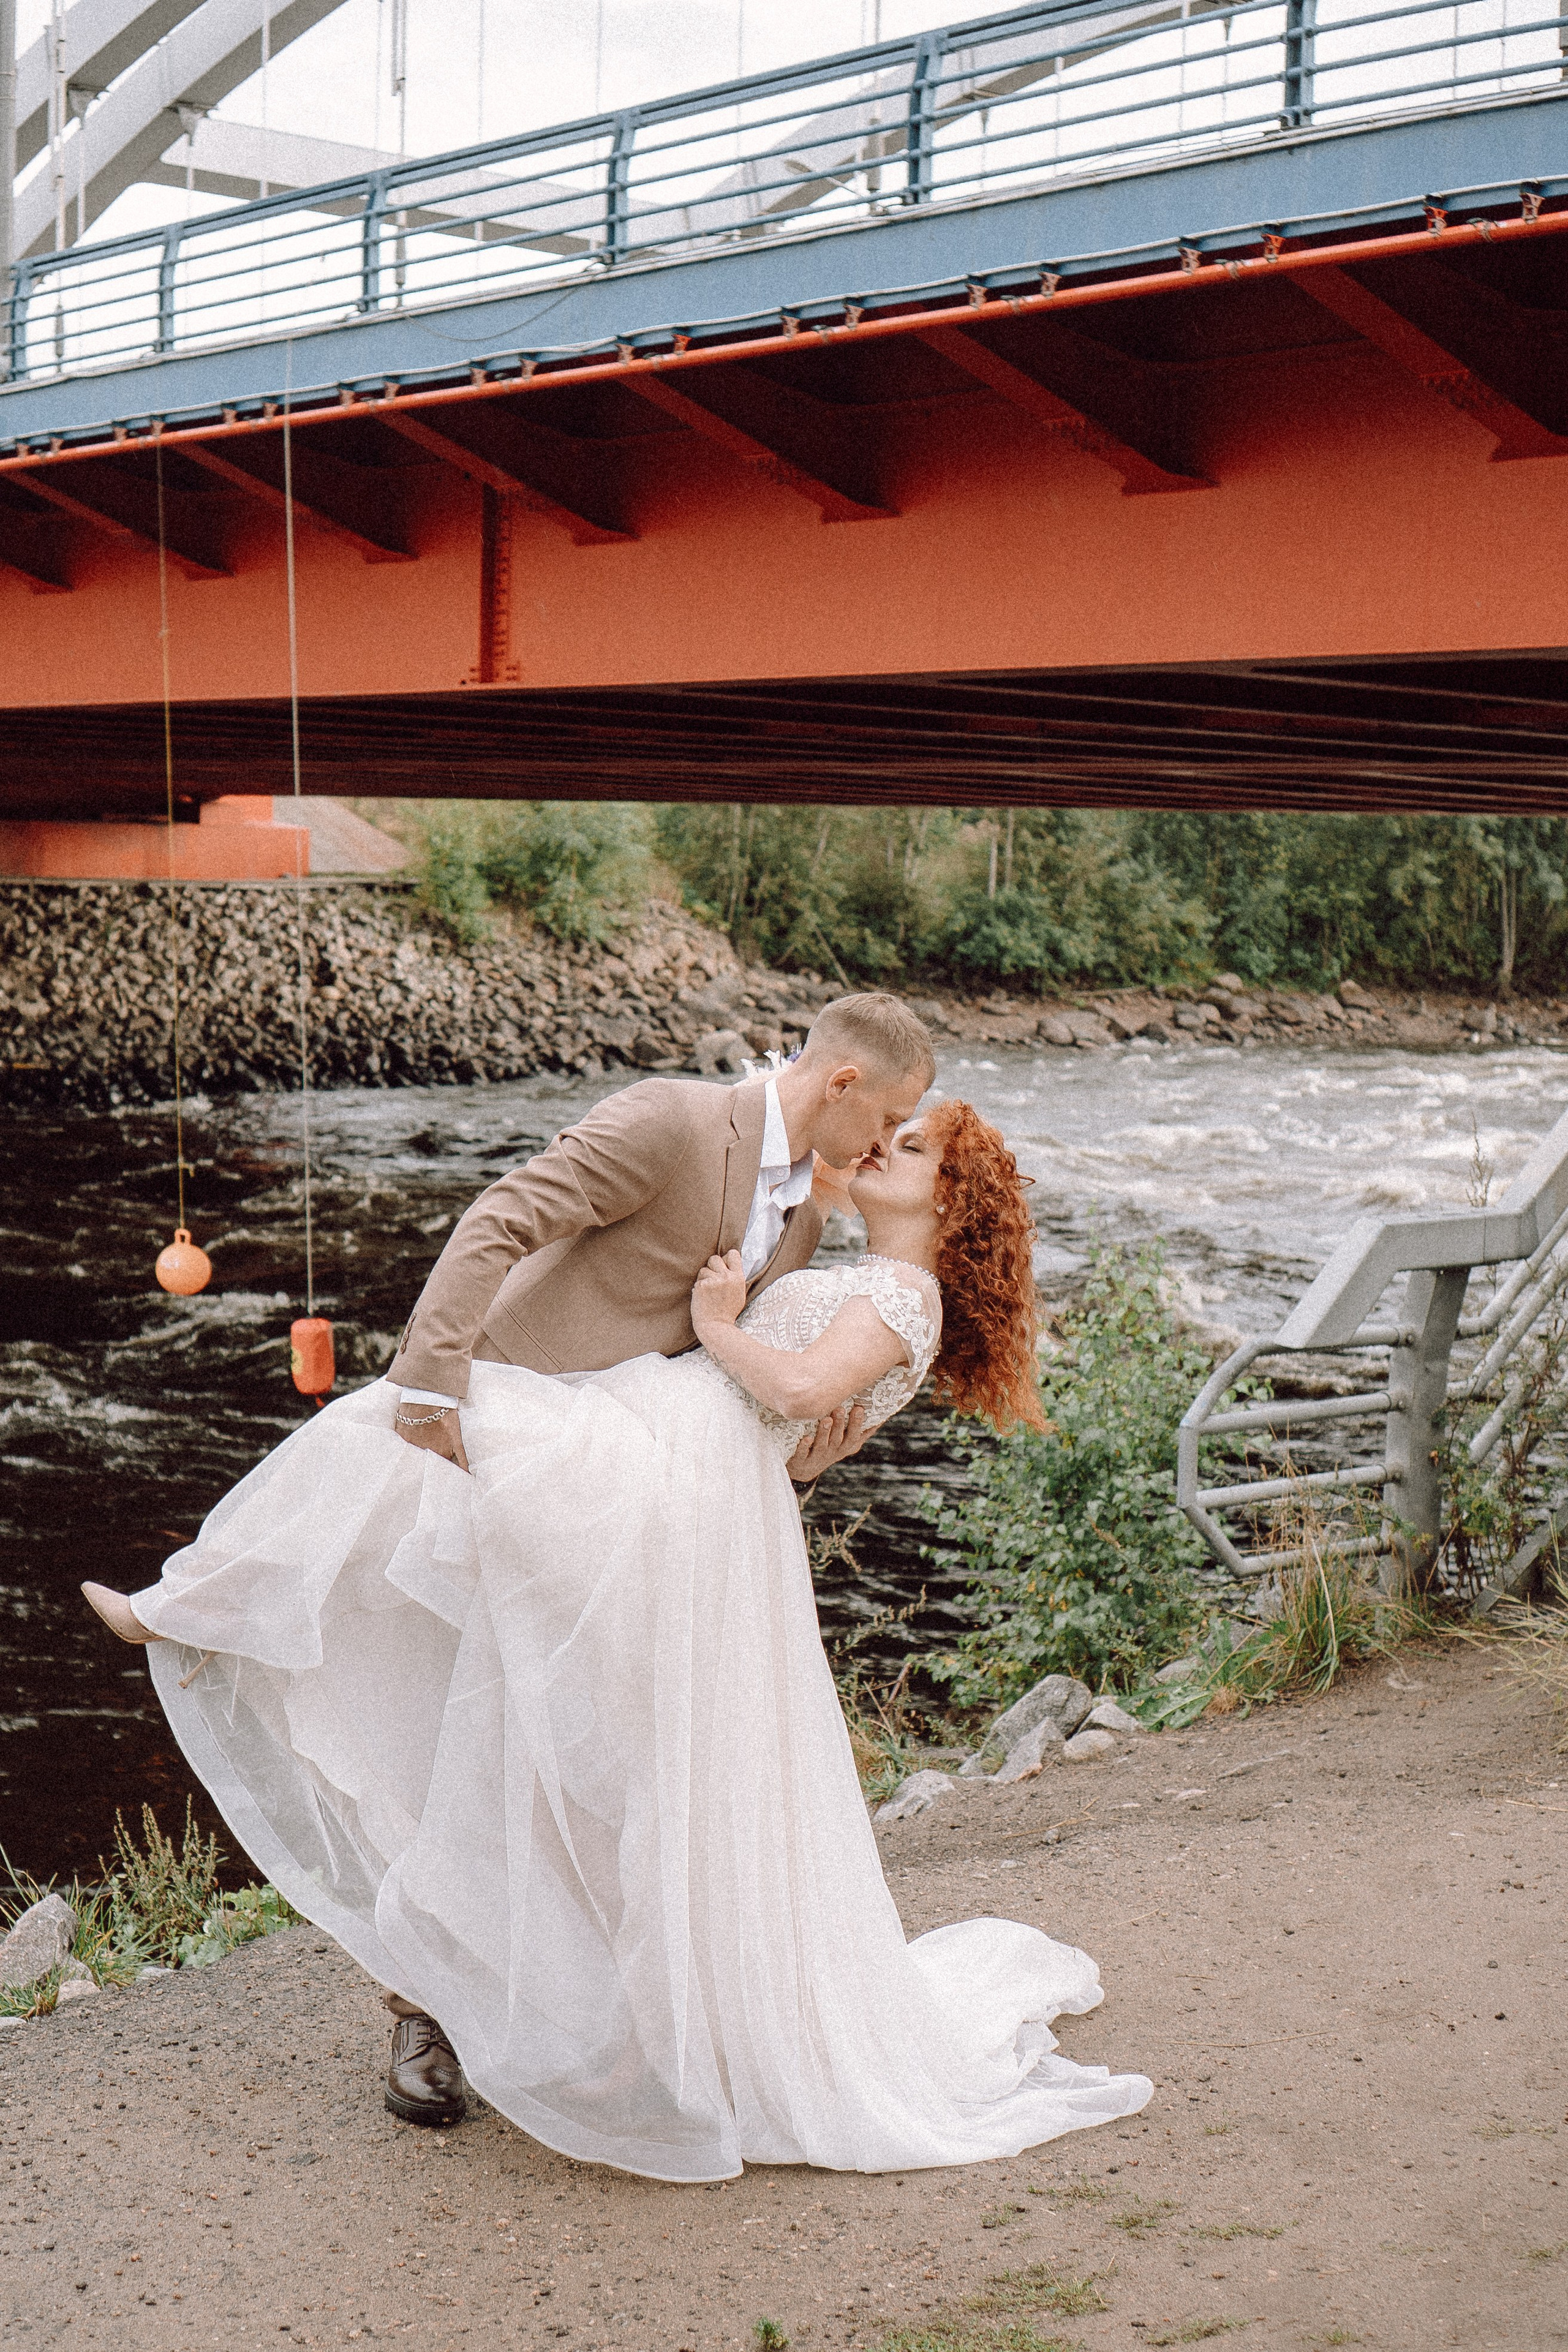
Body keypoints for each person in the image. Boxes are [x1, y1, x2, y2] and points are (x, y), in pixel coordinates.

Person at [85, 1012, 1151, 2179]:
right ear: (842, 1082)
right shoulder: (678, 1126)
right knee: (405, 1483)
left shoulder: (849, 1247)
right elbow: (505, 1224)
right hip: (607, 1449)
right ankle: (221, 1628)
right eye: (888, 1123)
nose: (884, 1144)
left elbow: (783, 1387)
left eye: (908, 1142)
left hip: (662, 1496)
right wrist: (435, 1382)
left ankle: (587, 2023)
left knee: (589, 1763)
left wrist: (771, 1401)